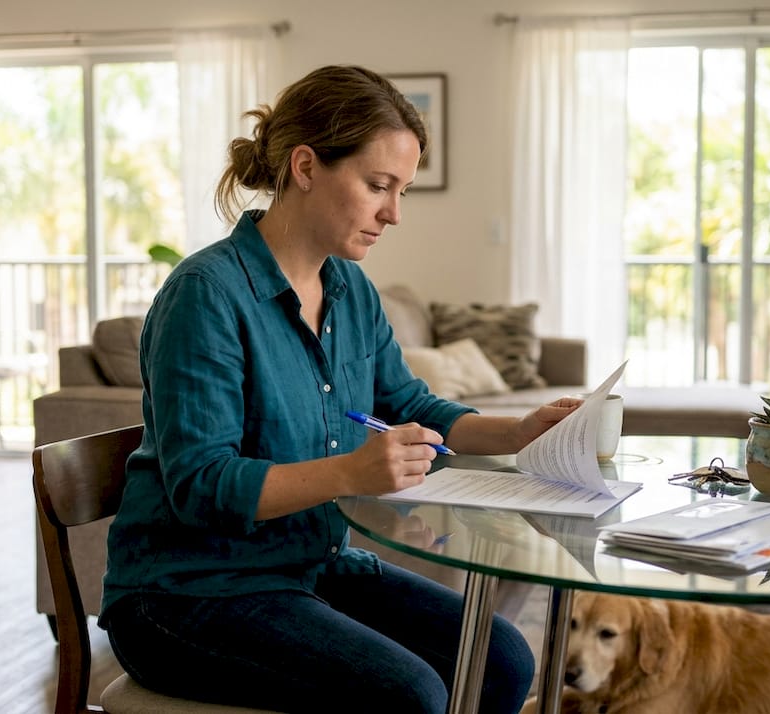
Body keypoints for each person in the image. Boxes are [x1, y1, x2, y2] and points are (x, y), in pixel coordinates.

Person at [98, 64, 580, 714]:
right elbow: (200, 486)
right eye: (378, 185)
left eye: (401, 190)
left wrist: (518, 433)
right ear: (305, 166)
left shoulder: (351, 292)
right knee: (410, 694)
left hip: (311, 564)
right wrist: (351, 471)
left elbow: (411, 405)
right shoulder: (206, 296)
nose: (395, 213)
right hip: (187, 594)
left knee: (503, 658)